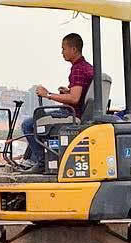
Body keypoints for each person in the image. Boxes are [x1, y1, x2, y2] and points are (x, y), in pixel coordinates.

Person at [21, 33, 94, 174]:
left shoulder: (78, 69)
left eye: (63, 48)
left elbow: (74, 99)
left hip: (72, 114)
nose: (62, 52)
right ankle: (38, 160)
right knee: (37, 120)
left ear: (73, 49)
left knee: (28, 124)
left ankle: (41, 163)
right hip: (78, 112)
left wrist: (48, 94)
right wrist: (67, 92)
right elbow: (79, 94)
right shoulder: (87, 67)